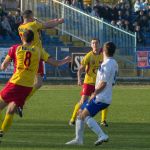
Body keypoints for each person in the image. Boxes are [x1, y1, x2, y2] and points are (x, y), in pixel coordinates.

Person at [0, 30, 71, 140]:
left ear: (22, 38)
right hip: (27, 87)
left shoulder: (14, 48)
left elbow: (3, 66)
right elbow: (55, 63)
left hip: (15, 83)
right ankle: (2, 132)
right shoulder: (39, 51)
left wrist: (4, 65)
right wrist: (65, 60)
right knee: (11, 110)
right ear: (33, 40)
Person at [66, 41, 118, 146]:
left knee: (84, 116)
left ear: (103, 51)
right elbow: (111, 82)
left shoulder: (106, 64)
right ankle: (78, 139)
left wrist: (94, 93)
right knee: (80, 112)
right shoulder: (114, 63)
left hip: (100, 97)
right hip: (105, 96)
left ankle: (102, 135)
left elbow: (103, 83)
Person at [16, 9, 64, 116]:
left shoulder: (20, 27)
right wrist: (59, 21)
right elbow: (47, 25)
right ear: (30, 16)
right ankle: (20, 101)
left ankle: (20, 101)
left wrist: (53, 20)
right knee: (38, 83)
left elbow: (42, 25)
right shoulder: (33, 24)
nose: (34, 17)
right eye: (33, 16)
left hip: (27, 53)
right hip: (36, 54)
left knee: (31, 81)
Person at [69, 38, 109, 127]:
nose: (95, 45)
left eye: (96, 43)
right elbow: (80, 69)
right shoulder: (88, 56)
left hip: (100, 83)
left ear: (99, 44)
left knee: (103, 100)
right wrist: (79, 79)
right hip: (89, 82)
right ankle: (73, 119)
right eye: (93, 43)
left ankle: (103, 120)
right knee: (83, 100)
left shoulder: (104, 55)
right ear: (91, 45)